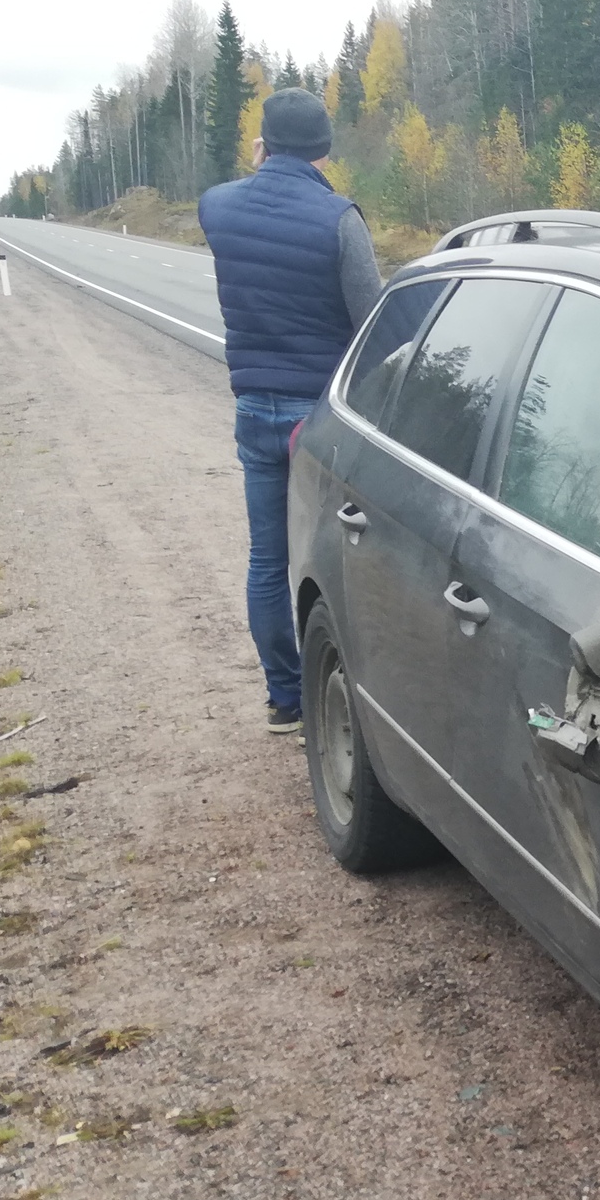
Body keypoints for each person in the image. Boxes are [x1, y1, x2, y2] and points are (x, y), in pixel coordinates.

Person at [197, 87, 384, 735]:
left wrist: (261, 167)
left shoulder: (218, 209)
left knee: (266, 562)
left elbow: (244, 207)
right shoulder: (340, 220)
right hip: (321, 419)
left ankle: (284, 698)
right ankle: (343, 699)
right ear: (325, 150)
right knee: (335, 562)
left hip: (255, 411)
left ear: (263, 144)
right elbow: (371, 323)